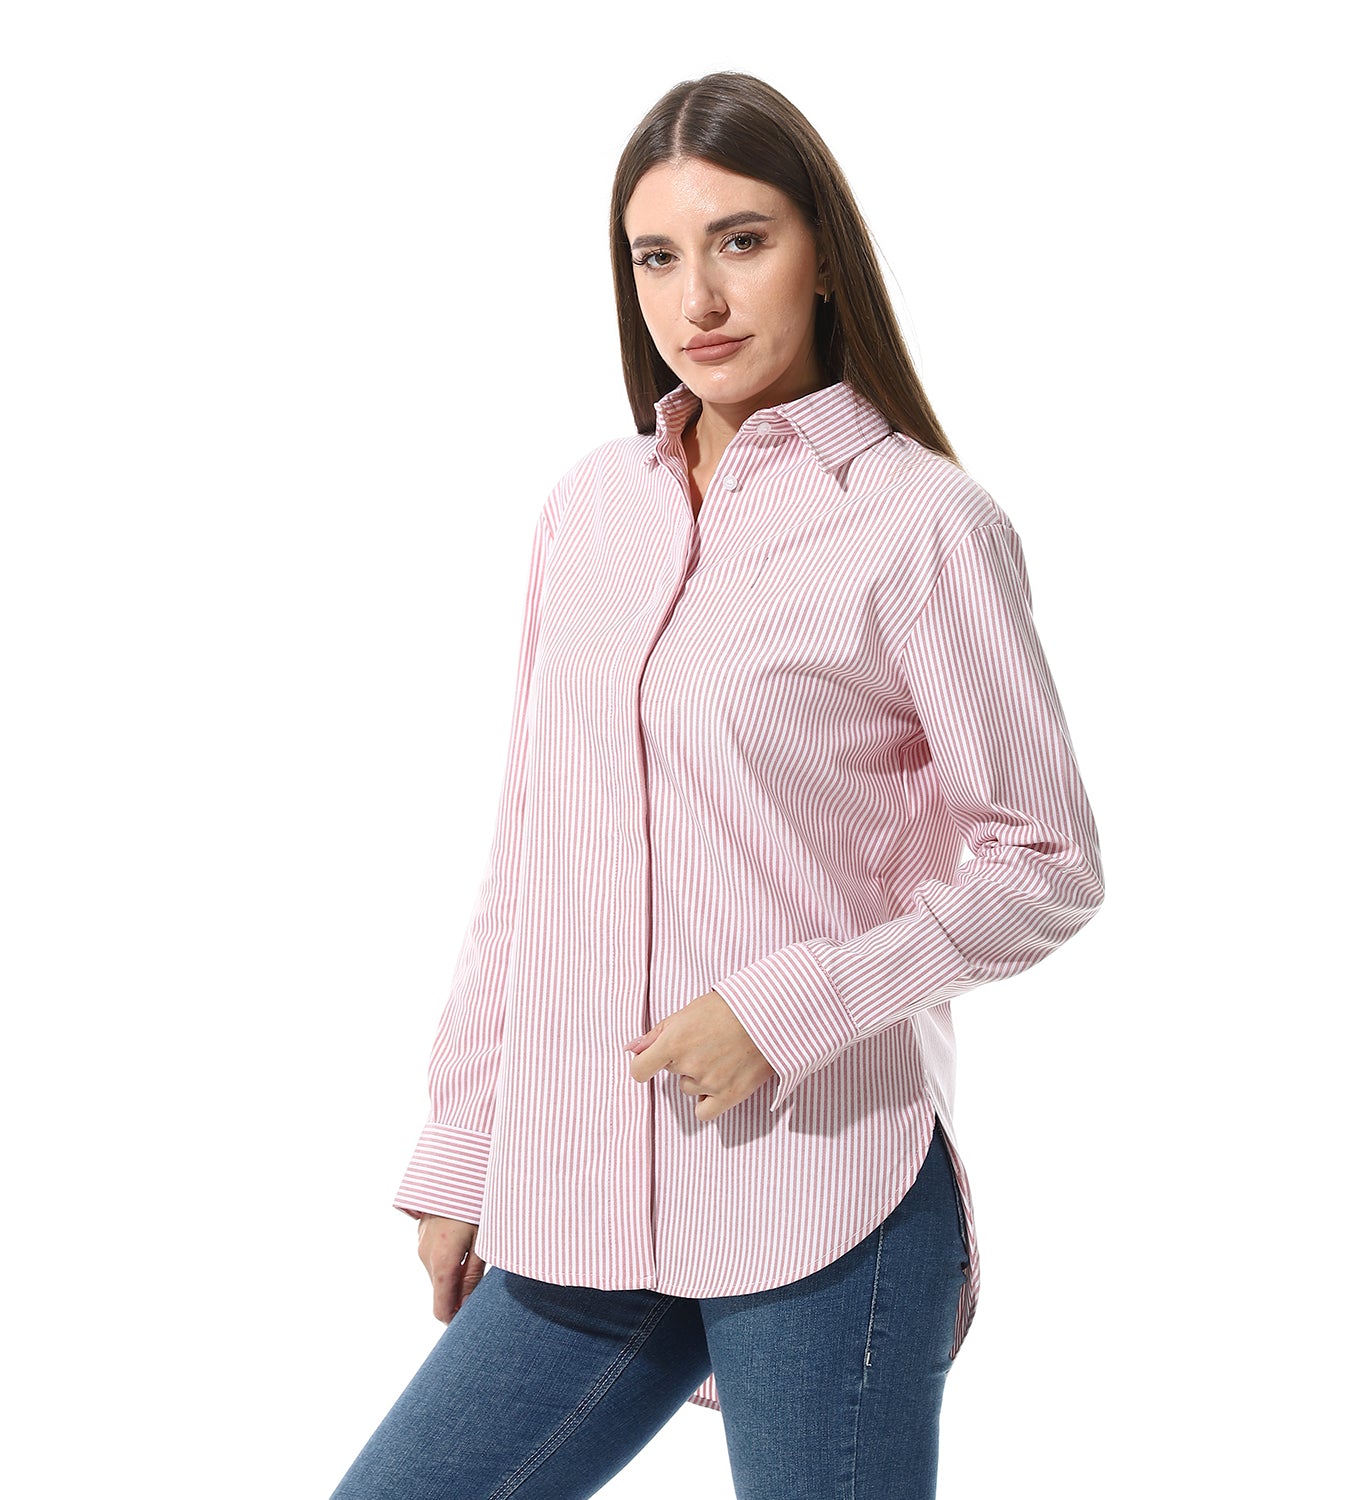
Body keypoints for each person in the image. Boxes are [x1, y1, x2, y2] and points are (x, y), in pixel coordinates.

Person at [330, 70, 1104, 1500]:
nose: (698, 299)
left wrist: (784, 1007)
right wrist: (460, 1144)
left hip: (825, 1195)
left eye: (742, 241)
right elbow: (532, 850)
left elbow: (1046, 862)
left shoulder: (921, 522)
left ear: (824, 254)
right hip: (578, 1191)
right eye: (657, 256)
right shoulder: (590, 508)